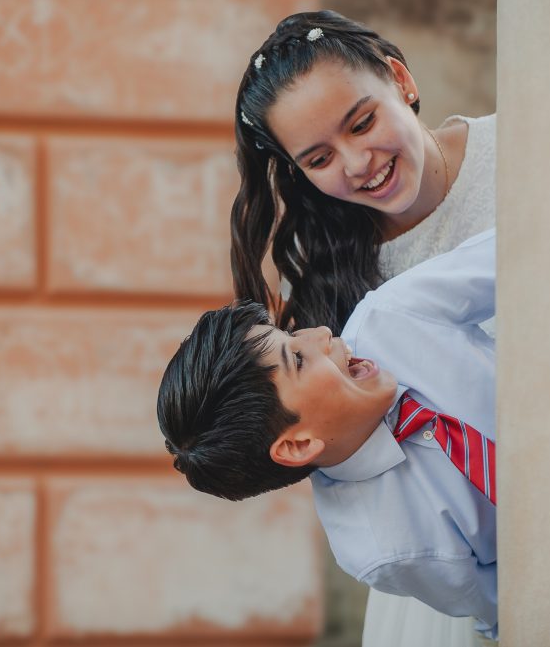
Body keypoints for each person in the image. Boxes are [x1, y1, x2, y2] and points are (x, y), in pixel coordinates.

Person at [230, 10, 496, 645]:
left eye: (363, 122)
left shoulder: (527, 155)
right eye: (320, 157)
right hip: (455, 576)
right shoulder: (323, 281)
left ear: (400, 80)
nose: (358, 162)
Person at [158, 229, 498, 642]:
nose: (321, 334)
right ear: (298, 444)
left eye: (292, 335)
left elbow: (521, 252)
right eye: (298, 359)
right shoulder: (383, 546)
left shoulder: (390, 316)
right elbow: (506, 603)